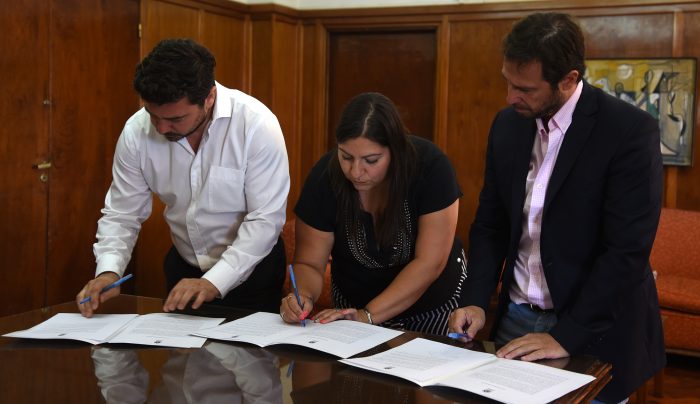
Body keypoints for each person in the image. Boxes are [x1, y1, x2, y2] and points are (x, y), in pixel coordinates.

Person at [448, 12, 665, 403]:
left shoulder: (628, 131)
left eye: (525, 89)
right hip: (515, 318)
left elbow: (625, 252)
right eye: (508, 82)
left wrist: (565, 336)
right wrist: (476, 299)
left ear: (568, 80)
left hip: (594, 328)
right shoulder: (507, 125)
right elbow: (491, 224)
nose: (510, 97)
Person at [76, 39, 290, 316]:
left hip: (253, 272)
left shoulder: (256, 125)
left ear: (209, 98)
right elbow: (122, 213)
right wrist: (108, 270)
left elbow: (265, 219)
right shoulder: (136, 131)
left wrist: (214, 281)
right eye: (153, 115)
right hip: (184, 267)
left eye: (175, 119)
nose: (161, 128)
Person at [280, 92, 466, 335]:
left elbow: (429, 264)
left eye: (371, 160)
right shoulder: (325, 177)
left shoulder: (430, 168)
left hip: (430, 308)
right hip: (351, 308)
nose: (356, 171)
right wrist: (302, 296)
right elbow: (309, 263)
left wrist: (367, 315)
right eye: (346, 157)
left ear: (395, 151)